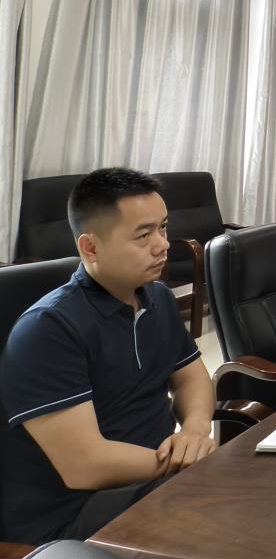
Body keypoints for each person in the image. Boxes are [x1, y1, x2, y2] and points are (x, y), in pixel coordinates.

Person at [0, 168, 217, 546]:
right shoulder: (48, 329)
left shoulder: (157, 298)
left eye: (163, 228)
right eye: (143, 235)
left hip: (148, 481)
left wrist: (195, 431)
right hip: (71, 515)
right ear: (91, 248)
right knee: (225, 513)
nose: (163, 245)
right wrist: (182, 462)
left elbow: (191, 378)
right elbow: (85, 466)